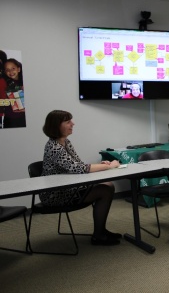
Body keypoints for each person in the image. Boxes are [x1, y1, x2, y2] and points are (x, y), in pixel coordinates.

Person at [41, 110, 122, 245]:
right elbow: (79, 169)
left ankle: (100, 231)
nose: (73, 124)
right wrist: (110, 166)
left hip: (68, 188)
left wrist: (101, 164)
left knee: (107, 186)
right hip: (55, 194)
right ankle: (99, 235)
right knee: (105, 189)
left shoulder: (66, 142)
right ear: (57, 125)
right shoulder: (53, 147)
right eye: (68, 122)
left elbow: (78, 165)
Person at [2, 58, 26, 128]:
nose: (11, 71)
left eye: (13, 68)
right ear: (5, 72)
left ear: (18, 69)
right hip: (12, 120)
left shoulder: (22, 82)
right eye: (7, 70)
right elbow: (19, 108)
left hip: (23, 118)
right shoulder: (7, 83)